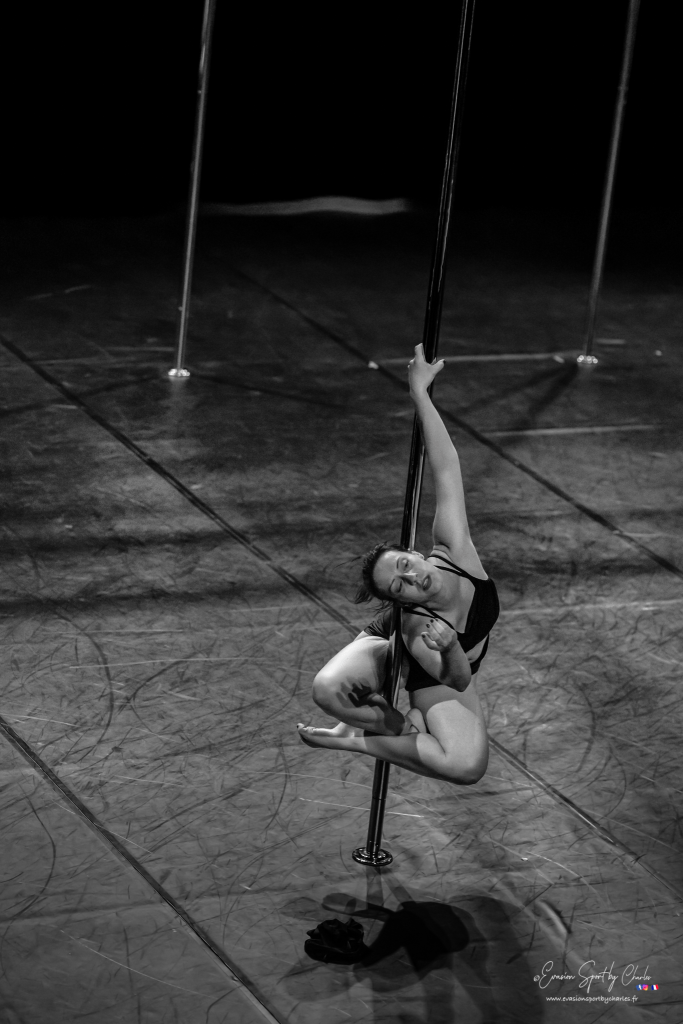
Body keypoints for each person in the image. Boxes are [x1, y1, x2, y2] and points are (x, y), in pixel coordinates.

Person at [297, 344, 499, 785]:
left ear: (415, 552)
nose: (411, 577)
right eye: (400, 586)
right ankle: (380, 729)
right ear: (400, 602)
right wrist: (447, 646)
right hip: (417, 658)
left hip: (448, 665)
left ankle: (356, 739)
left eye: (405, 563)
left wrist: (420, 393)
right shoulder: (416, 624)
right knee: (328, 690)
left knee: (467, 768)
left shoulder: (454, 551)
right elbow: (454, 677)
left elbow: (446, 468)